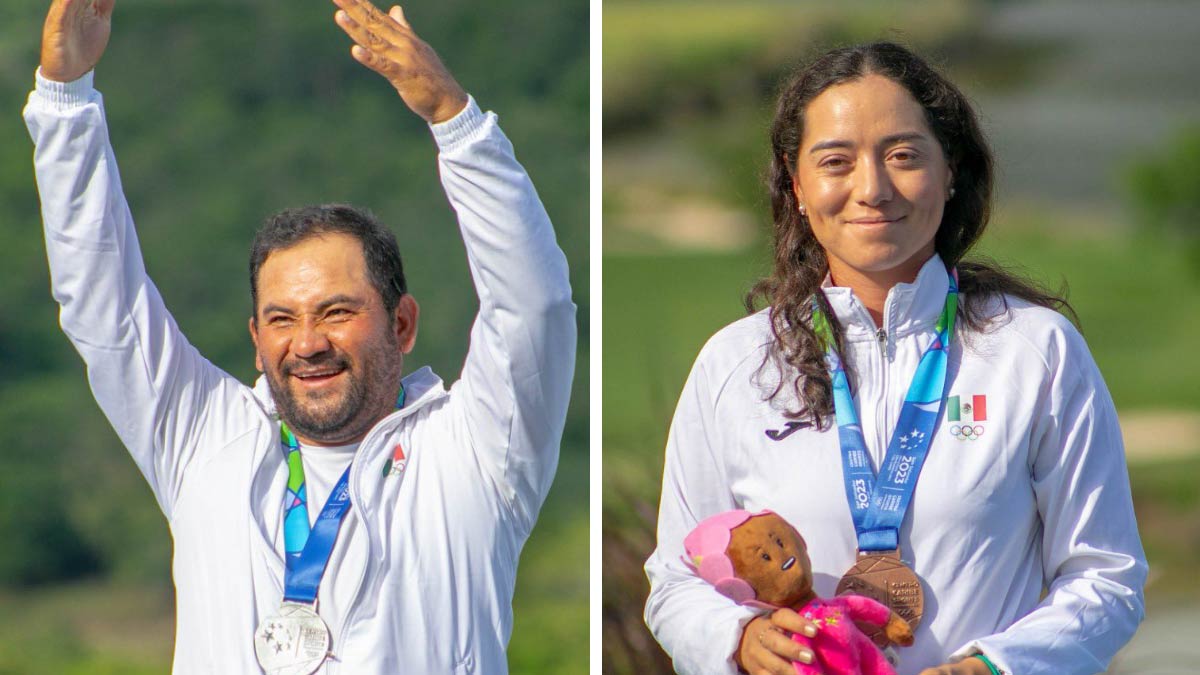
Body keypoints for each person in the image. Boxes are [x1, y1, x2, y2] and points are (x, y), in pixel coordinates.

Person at [26, 0, 575, 672]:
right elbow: (100, 303)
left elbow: (535, 306)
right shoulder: (203, 439)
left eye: (337, 312)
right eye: (283, 319)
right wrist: (65, 101)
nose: (308, 342)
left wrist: (456, 124)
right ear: (257, 339)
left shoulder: (479, 451)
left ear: (402, 324)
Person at [644, 42, 1145, 675]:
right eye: (836, 161)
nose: (873, 188)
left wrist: (992, 667)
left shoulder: (1036, 351)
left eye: (904, 156)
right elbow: (674, 578)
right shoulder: (735, 365)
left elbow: (1106, 576)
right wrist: (738, 639)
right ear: (797, 185)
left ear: (951, 170)